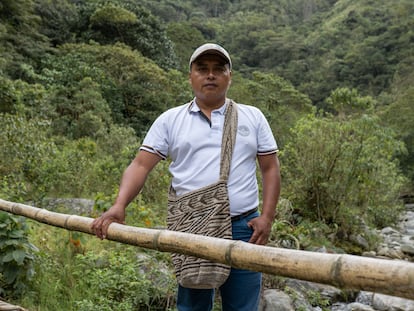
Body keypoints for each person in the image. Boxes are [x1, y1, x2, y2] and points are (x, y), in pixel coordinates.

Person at [92, 43, 281, 311]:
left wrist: (267, 217)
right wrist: (119, 205)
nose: (210, 75)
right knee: (192, 306)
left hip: (243, 228)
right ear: (191, 75)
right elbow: (140, 166)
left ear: (230, 76)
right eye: (202, 69)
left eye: (218, 69)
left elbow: (270, 168)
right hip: (191, 227)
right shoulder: (171, 120)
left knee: (242, 306)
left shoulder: (253, 117)